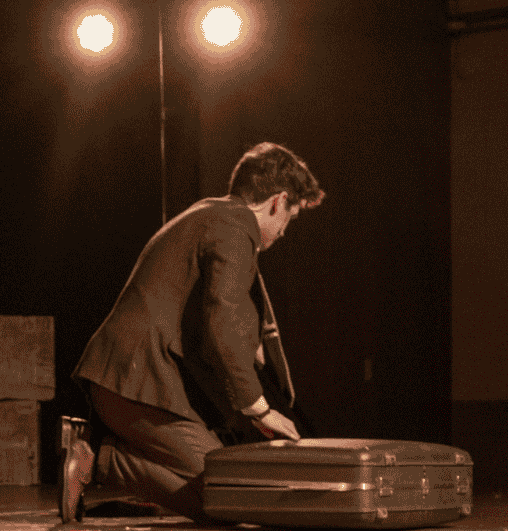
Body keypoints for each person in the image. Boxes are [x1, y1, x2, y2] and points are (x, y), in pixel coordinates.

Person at [62, 142, 325, 522]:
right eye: (291, 216)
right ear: (277, 200)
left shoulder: (213, 215)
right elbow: (224, 316)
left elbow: (217, 317)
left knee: (224, 493)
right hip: (134, 382)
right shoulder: (236, 227)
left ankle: (101, 457)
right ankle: (100, 461)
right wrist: (259, 408)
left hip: (127, 380)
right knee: (225, 497)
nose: (284, 231)